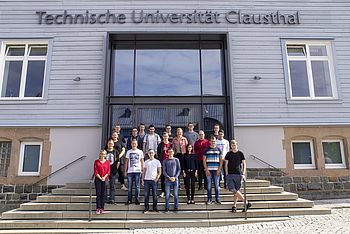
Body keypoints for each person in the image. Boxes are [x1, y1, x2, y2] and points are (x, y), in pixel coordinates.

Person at [225, 139, 251, 213]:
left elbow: (244, 164)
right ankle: (246, 202)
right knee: (232, 189)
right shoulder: (228, 154)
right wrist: (226, 173)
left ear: (237, 145)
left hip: (238, 174)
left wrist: (243, 173)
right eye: (232, 145)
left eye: (234, 144)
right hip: (230, 174)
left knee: (236, 191)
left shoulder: (240, 153)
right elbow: (226, 164)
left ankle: (234, 206)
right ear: (231, 146)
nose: (233, 146)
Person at [203, 135, 223, 205]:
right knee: (209, 186)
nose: (213, 142)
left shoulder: (219, 149)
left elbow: (221, 161)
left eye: (214, 141)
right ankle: (209, 199)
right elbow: (204, 160)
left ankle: (217, 199)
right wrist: (206, 170)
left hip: (216, 170)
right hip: (209, 171)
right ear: (209, 142)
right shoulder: (206, 149)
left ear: (216, 142)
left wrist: (219, 170)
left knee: (217, 186)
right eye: (212, 141)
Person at [125, 139, 144, 205]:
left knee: (137, 186)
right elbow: (126, 162)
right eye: (133, 143)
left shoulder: (140, 152)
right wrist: (125, 170)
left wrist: (142, 170)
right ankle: (129, 200)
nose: (134, 144)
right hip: (130, 171)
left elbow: (142, 162)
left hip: (138, 171)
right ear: (131, 144)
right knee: (130, 187)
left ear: (137, 144)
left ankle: (137, 199)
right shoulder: (128, 152)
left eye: (135, 143)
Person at [163, 147, 181, 212]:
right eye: (169, 152)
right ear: (167, 153)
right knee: (167, 194)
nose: (170, 153)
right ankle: (167, 207)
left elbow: (179, 170)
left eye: (171, 151)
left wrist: (175, 177)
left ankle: (176, 207)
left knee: (176, 194)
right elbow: (164, 171)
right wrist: (169, 177)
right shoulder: (165, 161)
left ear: (173, 152)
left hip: (175, 180)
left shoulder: (176, 160)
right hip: (168, 180)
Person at [93, 150, 110, 215]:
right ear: (100, 154)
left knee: (103, 194)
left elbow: (108, 171)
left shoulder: (107, 162)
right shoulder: (96, 161)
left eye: (104, 154)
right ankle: (98, 208)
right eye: (101, 154)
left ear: (105, 155)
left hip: (105, 179)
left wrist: (104, 177)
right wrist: (100, 177)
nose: (102, 155)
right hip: (98, 179)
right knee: (98, 194)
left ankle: (102, 208)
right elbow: (95, 171)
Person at [156, 131, 172, 198]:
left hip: (169, 162)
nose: (165, 137)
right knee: (162, 177)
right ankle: (163, 191)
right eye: (164, 136)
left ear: (168, 136)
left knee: (169, 177)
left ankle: (169, 191)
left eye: (167, 136)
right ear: (163, 137)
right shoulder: (160, 145)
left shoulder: (171, 144)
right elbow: (158, 153)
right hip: (162, 162)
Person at [104, 138, 120, 204]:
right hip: (105, 172)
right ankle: (105, 199)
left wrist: (116, 169)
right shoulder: (104, 151)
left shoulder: (116, 152)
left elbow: (118, 162)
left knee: (112, 186)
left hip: (113, 171)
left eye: (111, 143)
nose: (110, 144)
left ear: (113, 144)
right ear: (107, 144)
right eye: (109, 143)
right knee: (105, 185)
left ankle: (112, 199)